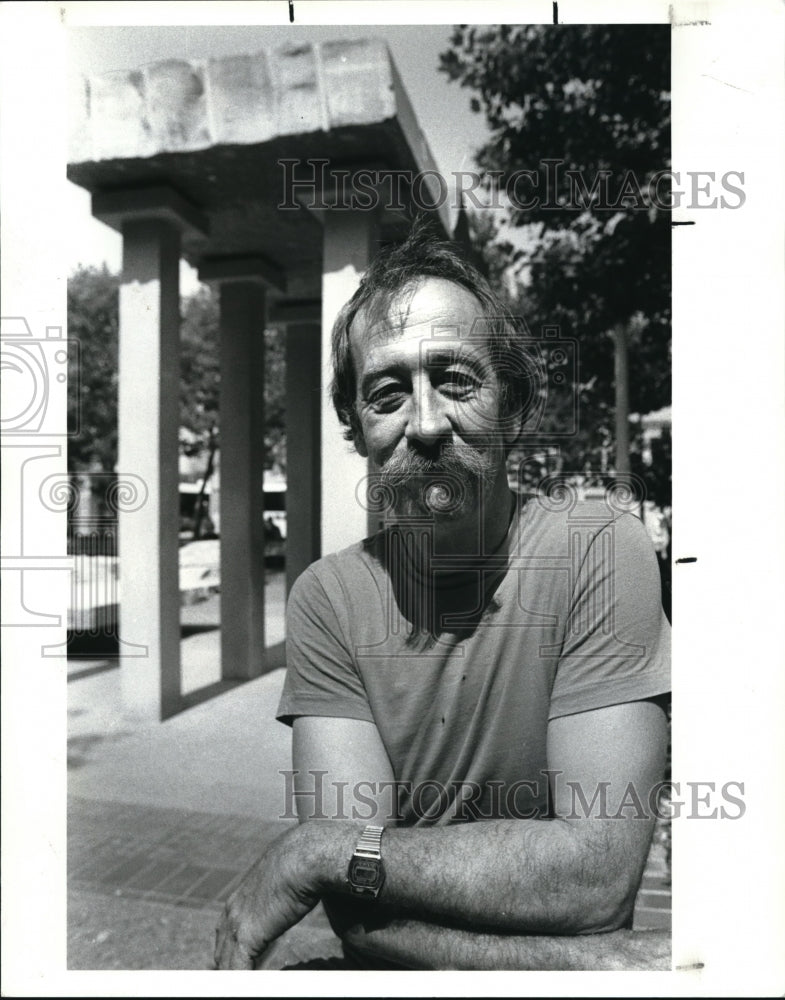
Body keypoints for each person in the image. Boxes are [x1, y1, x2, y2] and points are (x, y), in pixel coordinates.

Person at [214, 222, 671, 971]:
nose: (425, 425)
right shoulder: (328, 599)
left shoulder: (597, 547)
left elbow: (593, 874)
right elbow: (360, 921)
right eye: (388, 393)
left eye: (455, 380)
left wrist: (323, 849)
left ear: (513, 409)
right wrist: (590, 963)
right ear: (358, 430)